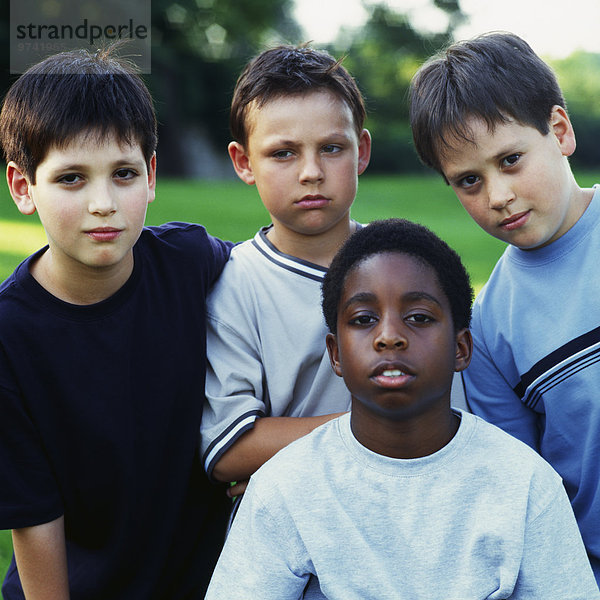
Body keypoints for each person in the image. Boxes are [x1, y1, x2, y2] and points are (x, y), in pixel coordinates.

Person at [205, 218, 599, 599]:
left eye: (418, 317)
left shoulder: (525, 484)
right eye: (363, 319)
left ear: (461, 349)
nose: (389, 336)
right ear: (335, 354)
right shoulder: (284, 488)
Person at [0, 47, 232, 599]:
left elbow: (286, 283)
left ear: (151, 175)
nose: (104, 203)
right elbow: (34, 518)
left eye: (123, 174)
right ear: (24, 187)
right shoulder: (10, 336)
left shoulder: (191, 261)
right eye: (72, 178)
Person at [409, 31, 600, 582]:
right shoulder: (488, 330)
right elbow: (523, 492)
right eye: (469, 181)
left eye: (511, 160)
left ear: (559, 131)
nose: (497, 196)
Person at [200, 44, 371, 492]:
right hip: (291, 535)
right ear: (243, 162)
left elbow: (452, 415)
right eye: (283, 153)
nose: (311, 171)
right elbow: (230, 449)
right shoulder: (236, 284)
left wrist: (281, 448)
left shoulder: (409, 263)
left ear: (361, 151)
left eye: (332, 148)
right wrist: (377, 428)